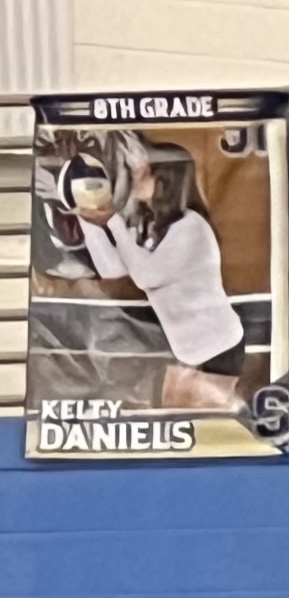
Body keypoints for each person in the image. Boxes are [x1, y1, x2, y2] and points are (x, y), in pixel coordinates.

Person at [76, 136, 247, 410]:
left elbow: (145, 276)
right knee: (173, 420)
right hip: (187, 350)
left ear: (165, 180)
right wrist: (87, 219)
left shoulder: (191, 228)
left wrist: (112, 221)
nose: (135, 176)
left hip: (218, 345)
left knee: (201, 430)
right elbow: (111, 268)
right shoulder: (153, 228)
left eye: (144, 171)